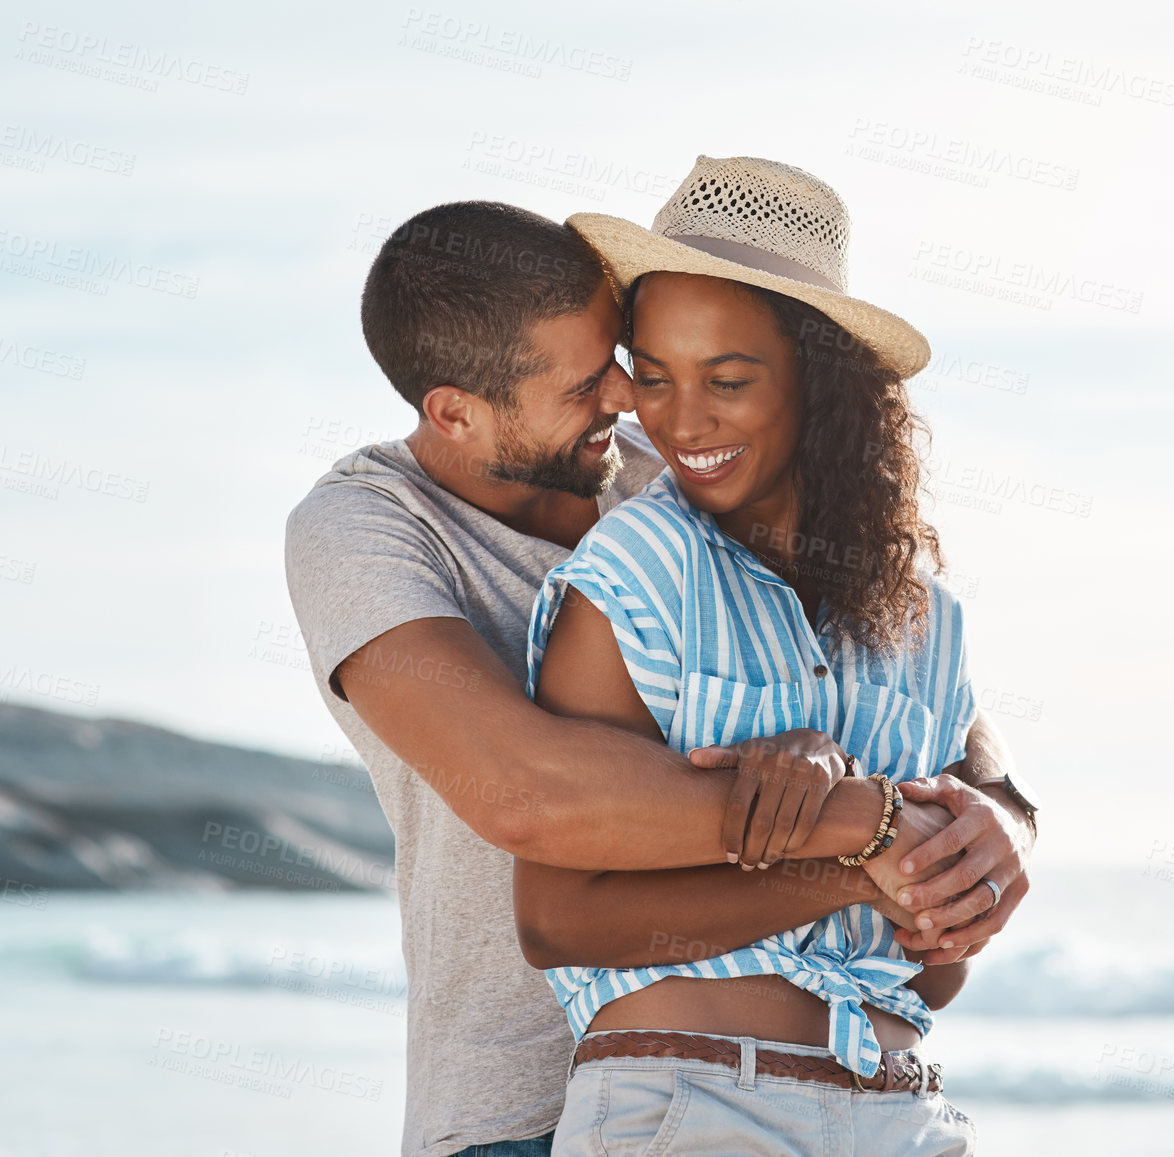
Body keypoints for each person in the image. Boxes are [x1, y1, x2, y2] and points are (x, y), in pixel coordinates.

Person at [284, 197, 1037, 1157]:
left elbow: (927, 704)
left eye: (622, 364)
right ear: (455, 412)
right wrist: (868, 826)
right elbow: (523, 793)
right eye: (586, 385)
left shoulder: (681, 466)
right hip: (516, 1105)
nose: (629, 402)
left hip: (835, 1080)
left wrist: (1003, 815)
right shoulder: (366, 528)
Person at [515, 156, 1027, 1156]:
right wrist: (853, 857)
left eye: (729, 380)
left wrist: (954, 876)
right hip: (693, 1104)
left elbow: (932, 965)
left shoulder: (929, 622)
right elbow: (558, 915)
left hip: (903, 1110)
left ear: (822, 381)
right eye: (653, 377)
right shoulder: (637, 566)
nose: (680, 420)